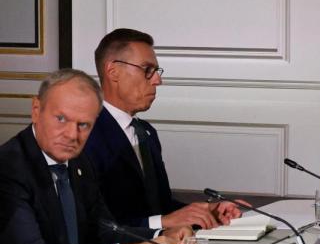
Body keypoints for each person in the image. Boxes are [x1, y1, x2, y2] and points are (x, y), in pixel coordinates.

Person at [0, 69, 188, 244]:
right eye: (61, 119)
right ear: (36, 110)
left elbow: (102, 229)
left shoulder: (79, 161)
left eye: (84, 125)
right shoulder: (8, 167)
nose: (72, 135)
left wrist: (161, 237)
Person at [82, 28, 243, 229]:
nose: (158, 80)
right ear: (113, 71)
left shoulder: (146, 132)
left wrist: (208, 212)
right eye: (147, 70)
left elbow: (160, 207)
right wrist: (164, 221)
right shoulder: (83, 135)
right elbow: (94, 226)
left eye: (156, 71)